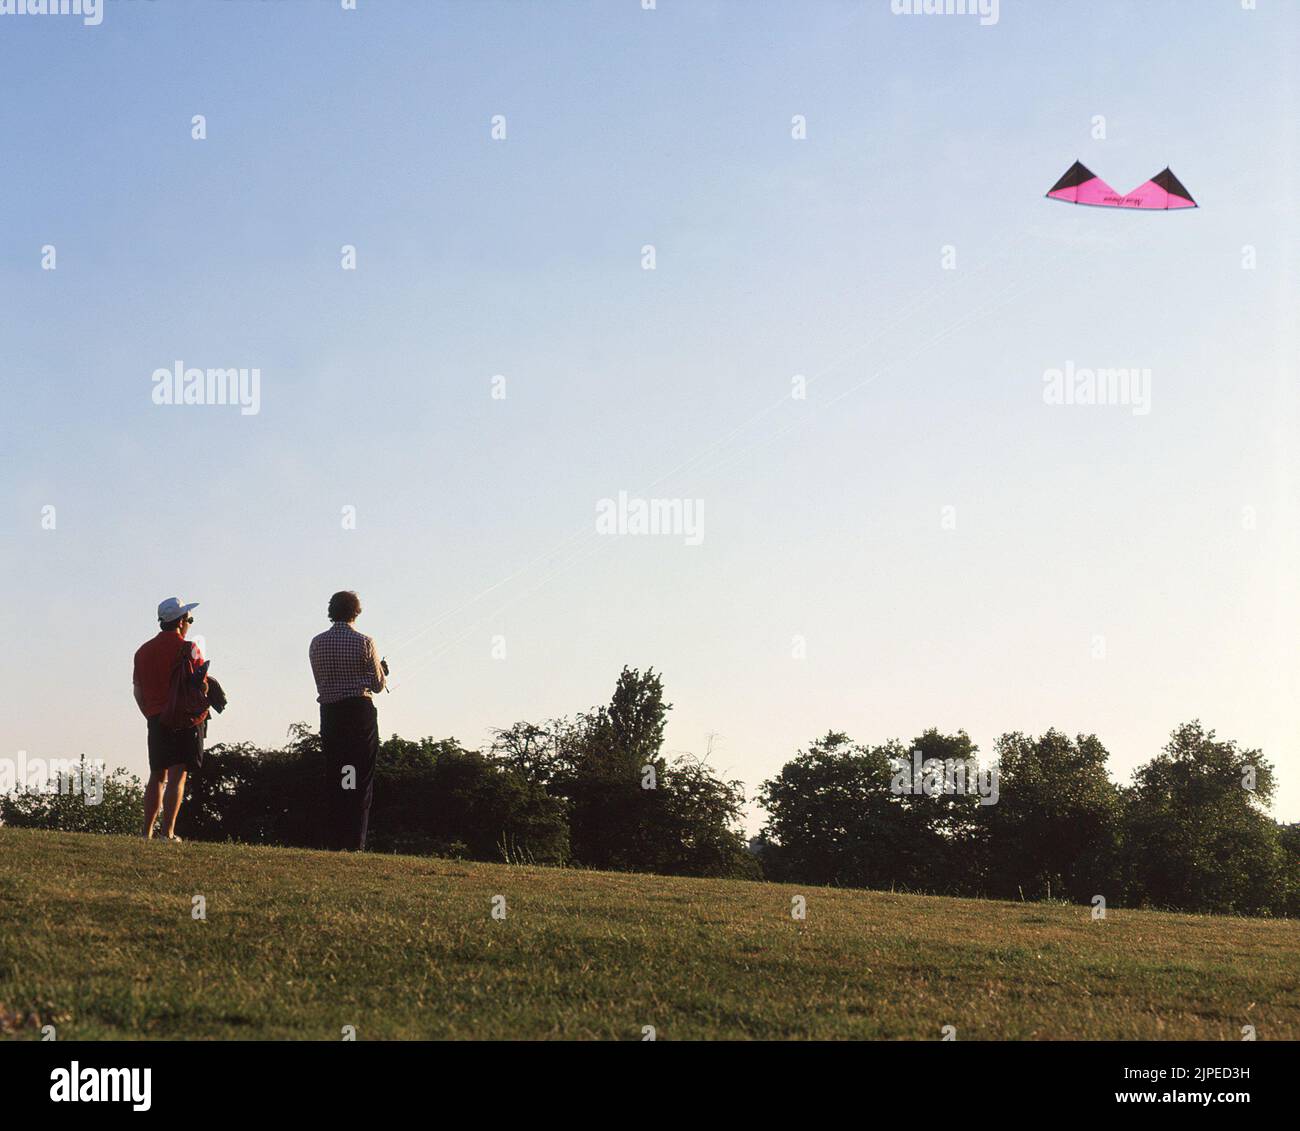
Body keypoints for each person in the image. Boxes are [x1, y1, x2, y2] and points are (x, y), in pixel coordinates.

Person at [309, 591, 387, 850]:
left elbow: (321, 680)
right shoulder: (365, 642)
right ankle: (355, 842)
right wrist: (382, 673)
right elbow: (377, 685)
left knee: (338, 774)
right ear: (356, 611)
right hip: (358, 713)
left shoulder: (317, 643)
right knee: (359, 776)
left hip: (331, 714)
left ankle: (334, 839)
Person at [133, 596, 208, 841]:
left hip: (156, 717)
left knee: (157, 775)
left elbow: (138, 691)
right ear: (181, 620)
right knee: (177, 776)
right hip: (183, 719)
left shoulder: (142, 651)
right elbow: (201, 688)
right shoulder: (189, 649)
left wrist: (150, 713)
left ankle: (146, 833)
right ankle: (168, 832)